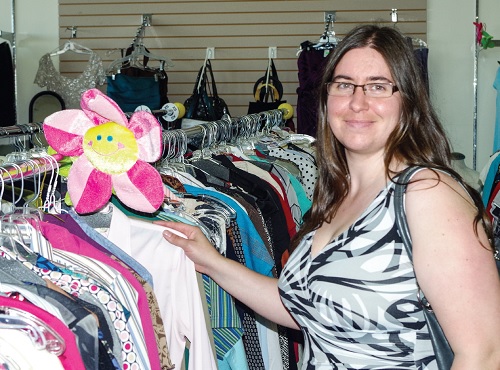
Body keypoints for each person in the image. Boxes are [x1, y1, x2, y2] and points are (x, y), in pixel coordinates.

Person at [154, 25, 500, 369]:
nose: (357, 102)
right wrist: (212, 260)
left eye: (378, 86)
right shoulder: (339, 193)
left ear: (407, 100)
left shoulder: (426, 194)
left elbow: (484, 353)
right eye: (344, 85)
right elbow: (308, 308)